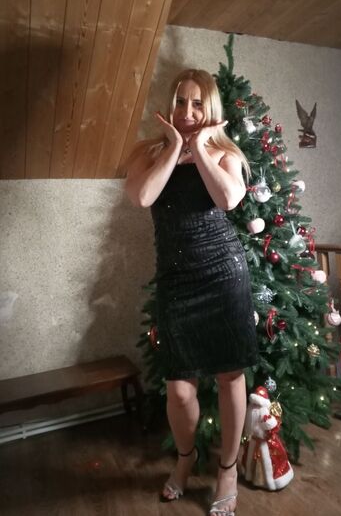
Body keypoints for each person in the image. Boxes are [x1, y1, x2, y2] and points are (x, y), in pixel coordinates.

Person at [125, 69, 259, 516]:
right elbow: (143, 197)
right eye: (181, 101)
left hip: (223, 276)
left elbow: (228, 199)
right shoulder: (147, 153)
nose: (187, 110)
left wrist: (199, 147)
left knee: (229, 376)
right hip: (176, 283)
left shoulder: (226, 153)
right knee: (179, 390)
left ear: (210, 107)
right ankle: (186, 459)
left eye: (197, 103)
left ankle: (227, 470)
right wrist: (174, 148)